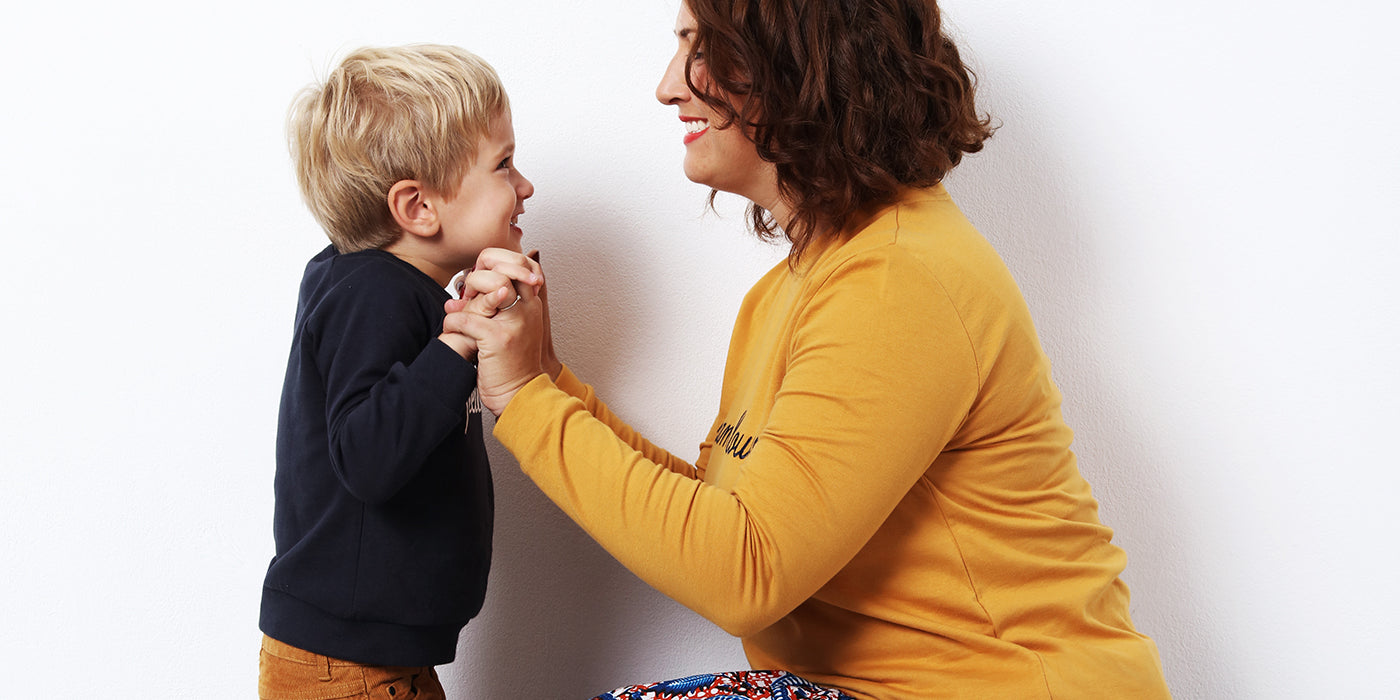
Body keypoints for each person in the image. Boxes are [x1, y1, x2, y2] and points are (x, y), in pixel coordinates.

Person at [445, 0, 1173, 697]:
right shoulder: (795, 288)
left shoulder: (899, 277)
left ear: (803, 62)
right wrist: (546, 376)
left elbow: (743, 573)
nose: (669, 87)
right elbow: (719, 516)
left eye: (703, 49)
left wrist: (526, 402)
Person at [258, 44, 537, 700]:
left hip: (375, 657)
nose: (525, 186)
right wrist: (456, 345)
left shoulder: (393, 291)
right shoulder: (370, 295)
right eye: (504, 165)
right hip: (346, 665)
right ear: (418, 209)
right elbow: (367, 457)